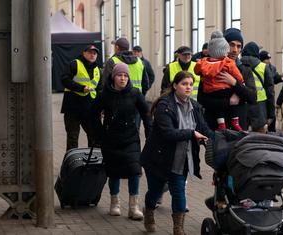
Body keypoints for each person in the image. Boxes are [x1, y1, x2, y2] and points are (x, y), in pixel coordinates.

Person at [141, 71, 214, 234]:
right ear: (175, 86)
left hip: (181, 160)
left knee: (179, 194)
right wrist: (191, 134)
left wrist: (217, 139)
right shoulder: (164, 106)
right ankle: (149, 212)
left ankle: (178, 229)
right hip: (158, 159)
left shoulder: (194, 106)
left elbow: (203, 128)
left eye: (190, 84)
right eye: (184, 84)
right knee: (155, 192)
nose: (188, 87)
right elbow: (168, 133)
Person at [94, 63, 151, 220]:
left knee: (134, 171)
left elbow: (146, 114)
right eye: (120, 75)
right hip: (110, 139)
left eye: (126, 76)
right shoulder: (104, 94)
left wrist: (149, 133)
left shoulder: (135, 93)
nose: (123, 78)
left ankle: (134, 207)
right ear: (114, 77)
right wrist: (100, 133)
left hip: (131, 138)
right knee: (114, 172)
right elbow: (92, 115)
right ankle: (115, 203)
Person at [197, 28, 257, 131]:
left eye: (239, 46)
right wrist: (228, 102)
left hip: (238, 128)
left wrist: (234, 83)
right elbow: (202, 99)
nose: (235, 50)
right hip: (215, 126)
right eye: (232, 45)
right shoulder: (209, 67)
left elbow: (252, 97)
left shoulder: (245, 70)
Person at [60, 44, 103, 151]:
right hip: (72, 108)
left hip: (90, 110)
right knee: (72, 140)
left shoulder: (98, 70)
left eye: (95, 53)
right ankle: (71, 165)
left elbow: (100, 90)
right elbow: (65, 80)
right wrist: (81, 88)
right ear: (84, 53)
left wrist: (101, 108)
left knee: (95, 138)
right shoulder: (74, 64)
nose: (92, 55)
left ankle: (93, 163)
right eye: (90, 52)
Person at [241, 41, 275, 133]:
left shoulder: (238, 65)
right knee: (259, 137)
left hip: (242, 105)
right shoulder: (263, 67)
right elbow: (270, 92)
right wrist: (271, 114)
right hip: (259, 106)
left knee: (240, 136)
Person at [259, 50, 283, 132]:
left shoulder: (272, 68)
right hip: (261, 96)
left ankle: (272, 134)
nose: (269, 61)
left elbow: (275, 78)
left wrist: (280, 78)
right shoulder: (259, 67)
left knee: (272, 116)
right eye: (267, 59)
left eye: (269, 59)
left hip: (270, 95)